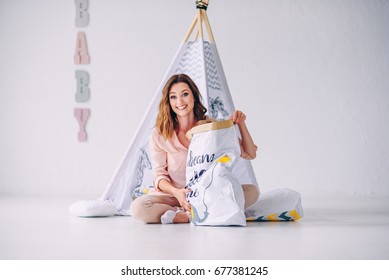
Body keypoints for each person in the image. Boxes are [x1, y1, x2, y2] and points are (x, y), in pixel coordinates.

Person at [130, 74, 259, 224]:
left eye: (185, 94)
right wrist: (177, 193)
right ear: (168, 101)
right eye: (173, 97)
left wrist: (241, 124)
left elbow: (249, 153)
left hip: (206, 192)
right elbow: (159, 176)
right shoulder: (160, 133)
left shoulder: (209, 126)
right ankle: (188, 211)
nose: (179, 102)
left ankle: (187, 214)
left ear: (194, 97)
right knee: (138, 208)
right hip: (173, 195)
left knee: (252, 192)